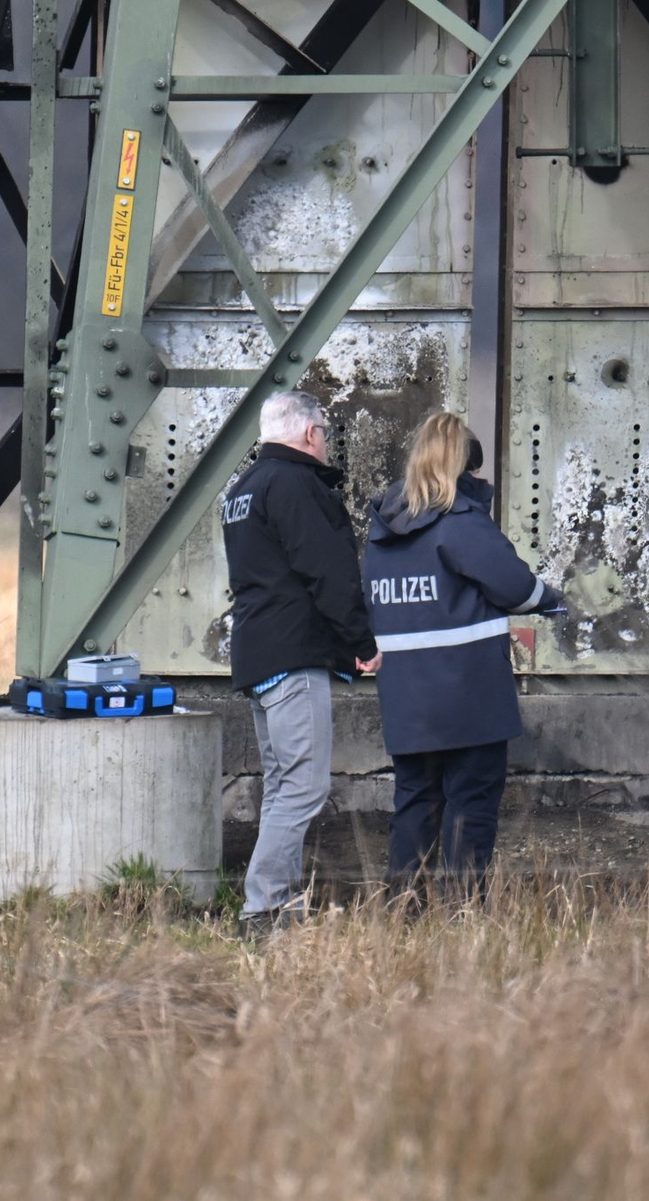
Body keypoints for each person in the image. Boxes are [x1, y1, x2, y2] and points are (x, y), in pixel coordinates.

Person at [363, 412, 564, 898]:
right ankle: (460, 913)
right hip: (469, 697)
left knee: (415, 802)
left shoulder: (381, 532)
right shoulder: (460, 523)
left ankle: (400, 908)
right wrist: (556, 600)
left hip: (407, 700)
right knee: (470, 804)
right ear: (464, 467)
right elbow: (514, 584)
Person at [222, 390, 381, 937]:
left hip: (259, 654)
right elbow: (328, 570)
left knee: (283, 783)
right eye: (326, 434)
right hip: (293, 655)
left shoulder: (243, 489)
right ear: (311, 433)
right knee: (303, 787)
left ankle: (278, 907)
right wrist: (361, 641)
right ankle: (264, 910)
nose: (327, 444)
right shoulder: (294, 484)